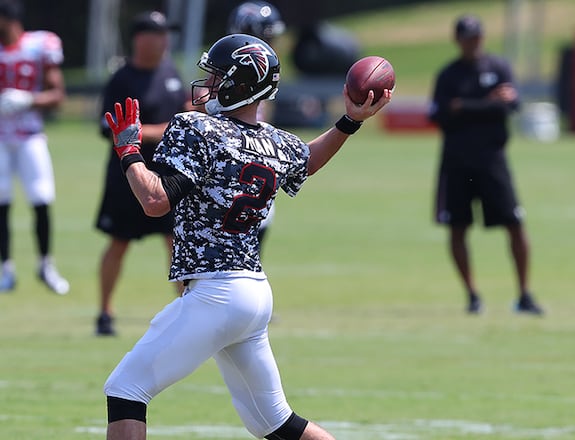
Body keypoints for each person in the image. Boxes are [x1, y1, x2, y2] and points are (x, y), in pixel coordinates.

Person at [102, 33, 391, 440]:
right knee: (275, 422)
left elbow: (155, 201)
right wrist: (349, 122)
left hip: (215, 294)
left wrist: (129, 152)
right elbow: (307, 161)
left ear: (241, 83)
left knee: (125, 390)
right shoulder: (274, 141)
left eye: (218, 77)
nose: (209, 85)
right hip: (253, 293)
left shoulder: (195, 127)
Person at [428, 14, 541, 315]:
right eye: (467, 37)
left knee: (515, 223)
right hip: (457, 162)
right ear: (458, 40)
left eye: (477, 36)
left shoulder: (498, 67)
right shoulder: (448, 75)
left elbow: (512, 104)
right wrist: (488, 103)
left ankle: (524, 294)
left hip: (493, 161)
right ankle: (472, 294)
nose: (473, 42)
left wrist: (465, 106)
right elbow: (440, 115)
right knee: (457, 227)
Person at [94, 11, 189, 336]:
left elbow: (182, 115)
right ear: (139, 39)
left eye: (165, 34)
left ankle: (188, 311)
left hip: (168, 173)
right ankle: (104, 313)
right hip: (128, 174)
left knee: (176, 242)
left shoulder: (170, 72)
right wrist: (156, 132)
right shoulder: (122, 78)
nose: (163, 41)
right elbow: (109, 128)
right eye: (156, 34)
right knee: (118, 241)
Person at [0, 0, 69, 295]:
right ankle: (6, 268)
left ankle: (45, 264)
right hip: (1, 136)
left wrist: (27, 100)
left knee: (41, 198)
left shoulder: (40, 44)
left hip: (30, 134)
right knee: (1, 202)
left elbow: (57, 94)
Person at [227, 0, 286, 253]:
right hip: (228, 161)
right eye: (265, 35)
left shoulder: (267, 66)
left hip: (256, 158)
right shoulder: (228, 65)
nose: (269, 43)